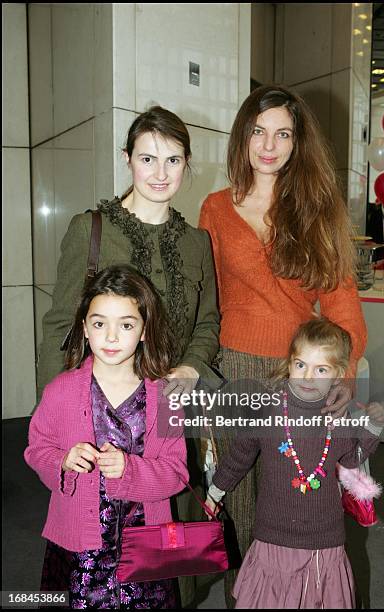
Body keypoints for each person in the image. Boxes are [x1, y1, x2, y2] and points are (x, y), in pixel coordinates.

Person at [36, 106, 220, 606]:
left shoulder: (198, 242)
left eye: (174, 160)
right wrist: (58, 418)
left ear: (187, 164)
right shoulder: (90, 229)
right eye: (147, 158)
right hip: (96, 405)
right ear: (127, 160)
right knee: (91, 543)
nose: (161, 174)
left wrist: (188, 368)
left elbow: (208, 323)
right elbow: (60, 324)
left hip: (166, 411)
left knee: (167, 537)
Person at [198, 84, 368, 607]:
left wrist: (343, 376)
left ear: (298, 143)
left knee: (296, 507)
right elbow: (208, 302)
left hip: (300, 375)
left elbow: (342, 305)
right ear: (242, 136)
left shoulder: (314, 209)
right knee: (238, 506)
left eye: (283, 133)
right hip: (233, 372)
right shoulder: (215, 209)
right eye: (258, 131)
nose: (269, 145)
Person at [25, 265, 189, 609]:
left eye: (126, 325)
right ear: (85, 328)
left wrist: (131, 470)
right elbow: (37, 449)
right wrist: (62, 461)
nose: (111, 337)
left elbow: (177, 473)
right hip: (80, 550)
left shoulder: (165, 398)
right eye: (100, 324)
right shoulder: (60, 391)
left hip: (145, 549)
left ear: (145, 330)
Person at [206, 317, 384, 609]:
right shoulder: (268, 410)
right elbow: (240, 455)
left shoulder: (339, 419)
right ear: (290, 364)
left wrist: (371, 430)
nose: (307, 377)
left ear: (338, 375)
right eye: (301, 365)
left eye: (321, 369)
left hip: (323, 540)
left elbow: (351, 460)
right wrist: (216, 491)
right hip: (273, 536)